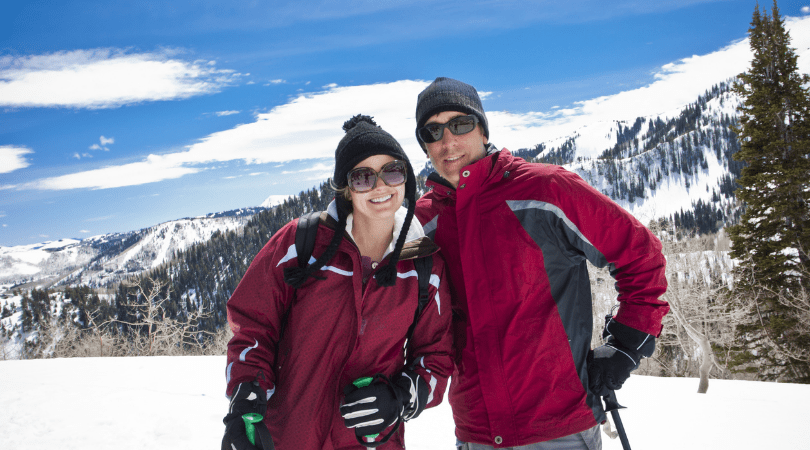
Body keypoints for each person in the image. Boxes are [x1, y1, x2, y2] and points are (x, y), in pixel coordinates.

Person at [412, 77, 670, 450]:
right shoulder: (422, 224)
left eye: (460, 124)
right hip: (476, 434)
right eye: (432, 131)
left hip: (560, 429)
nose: (447, 141)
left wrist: (628, 344)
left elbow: (640, 254)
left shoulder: (544, 190)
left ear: (483, 130)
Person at [222, 115, 454, 450]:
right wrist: (245, 402)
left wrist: (400, 397)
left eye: (392, 171)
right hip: (287, 438)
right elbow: (254, 327)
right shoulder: (302, 244)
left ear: (405, 179)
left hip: (372, 442)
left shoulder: (423, 264)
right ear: (347, 189)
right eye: (363, 177)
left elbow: (437, 355)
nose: (380, 186)